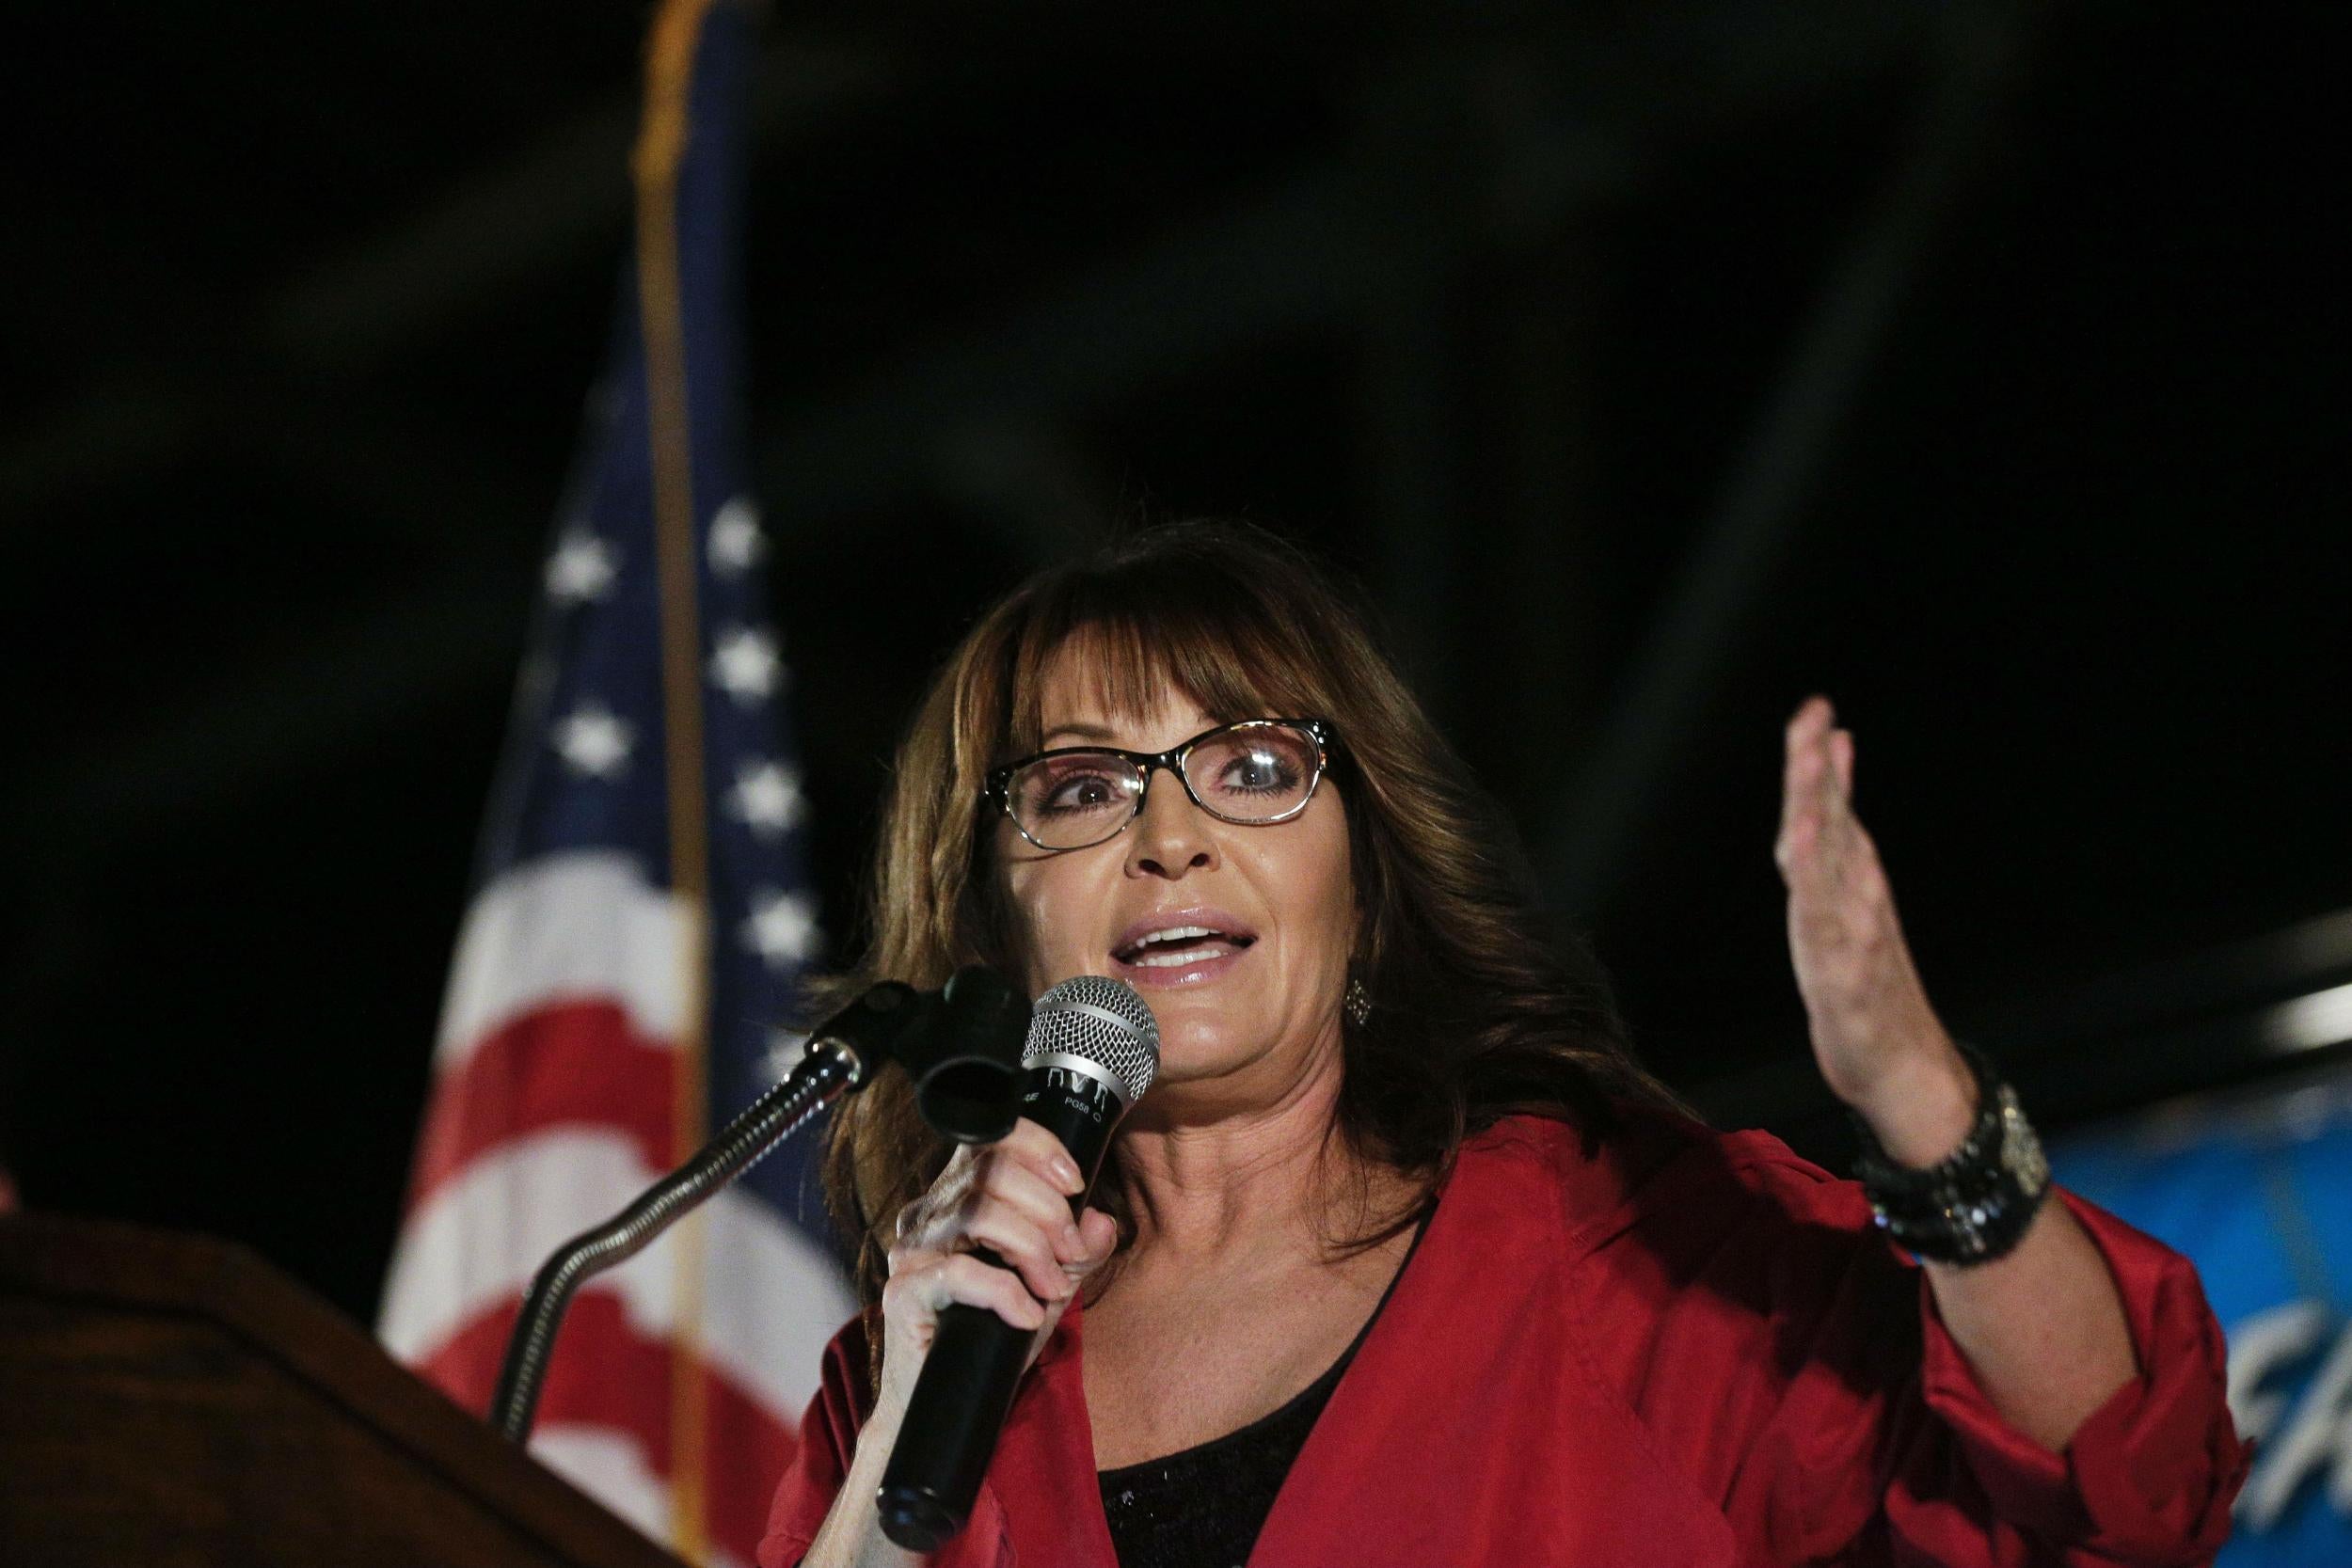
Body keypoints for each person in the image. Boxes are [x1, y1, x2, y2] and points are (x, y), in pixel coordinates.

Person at [759, 522, 2247, 1568]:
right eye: (1081, 791)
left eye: (1256, 768)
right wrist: (906, 1426)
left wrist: (1920, 1097)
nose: (1170, 839)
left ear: (1367, 878)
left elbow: (2117, 1491)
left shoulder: (1621, 1257)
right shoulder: (913, 1354)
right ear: (990, 914)